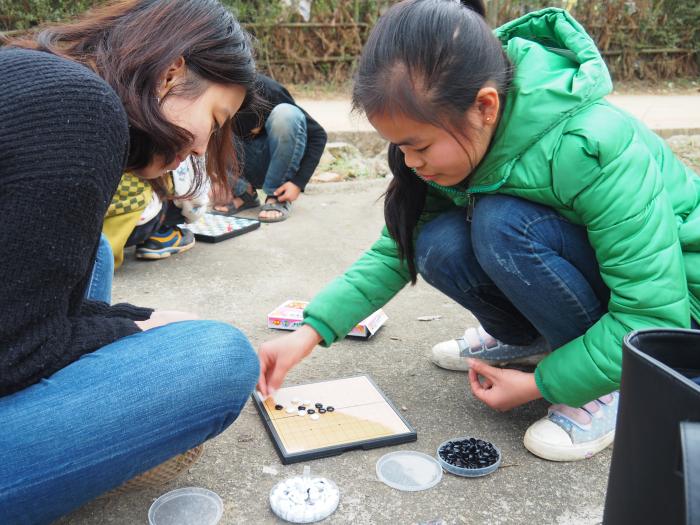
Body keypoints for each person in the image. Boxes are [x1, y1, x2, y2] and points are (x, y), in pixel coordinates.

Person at [257, 0, 700, 463]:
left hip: (677, 311)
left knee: (501, 222)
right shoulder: (456, 142)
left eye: (419, 145)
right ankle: (535, 341)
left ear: (485, 106)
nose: (410, 162)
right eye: (399, 147)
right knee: (436, 243)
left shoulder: (592, 145)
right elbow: (397, 251)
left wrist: (542, 385)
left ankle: (606, 390)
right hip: (610, 292)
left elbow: (652, 316)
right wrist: (307, 333)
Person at [0, 1, 260, 521]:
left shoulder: (36, 74)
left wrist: (135, 320)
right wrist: (138, 332)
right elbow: (16, 351)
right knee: (221, 356)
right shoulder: (83, 106)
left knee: (92, 249)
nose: (205, 144)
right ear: (170, 74)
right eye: (216, 119)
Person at [212, 73, 328, 222]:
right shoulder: (213, 93)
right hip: (241, 165)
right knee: (209, 122)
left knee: (286, 114)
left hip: (273, 163)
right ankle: (243, 193)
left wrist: (298, 183)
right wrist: (216, 179)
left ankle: (277, 196)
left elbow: (318, 135)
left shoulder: (268, 89)